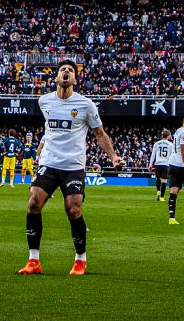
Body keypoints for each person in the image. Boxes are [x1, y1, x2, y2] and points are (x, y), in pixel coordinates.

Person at [18, 59, 122, 276]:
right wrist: (39, 151)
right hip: (49, 163)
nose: (66, 72)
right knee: (33, 202)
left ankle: (80, 260)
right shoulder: (44, 101)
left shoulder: (85, 104)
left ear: (75, 79)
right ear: (56, 77)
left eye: (70, 70)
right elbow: (48, 131)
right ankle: (33, 260)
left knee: (73, 209)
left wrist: (113, 157)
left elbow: (99, 134)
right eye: (63, 69)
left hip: (73, 165)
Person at [148, 129, 173, 202]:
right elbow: (172, 155)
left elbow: (153, 155)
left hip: (157, 164)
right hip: (166, 164)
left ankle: (158, 190)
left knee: (158, 179)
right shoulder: (170, 145)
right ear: (168, 136)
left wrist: (150, 165)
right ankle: (161, 197)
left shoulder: (156, 144)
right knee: (164, 181)